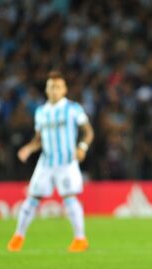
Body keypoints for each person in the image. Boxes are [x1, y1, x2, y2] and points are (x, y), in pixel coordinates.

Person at [7, 71, 94, 253]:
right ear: (46, 90)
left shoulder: (73, 108)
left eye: (58, 87)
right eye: (51, 87)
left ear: (64, 90)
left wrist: (82, 147)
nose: (54, 90)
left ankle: (80, 239)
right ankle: (18, 236)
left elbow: (88, 132)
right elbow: (38, 139)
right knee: (32, 198)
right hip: (46, 162)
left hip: (67, 161)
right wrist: (28, 148)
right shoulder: (41, 112)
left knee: (69, 197)